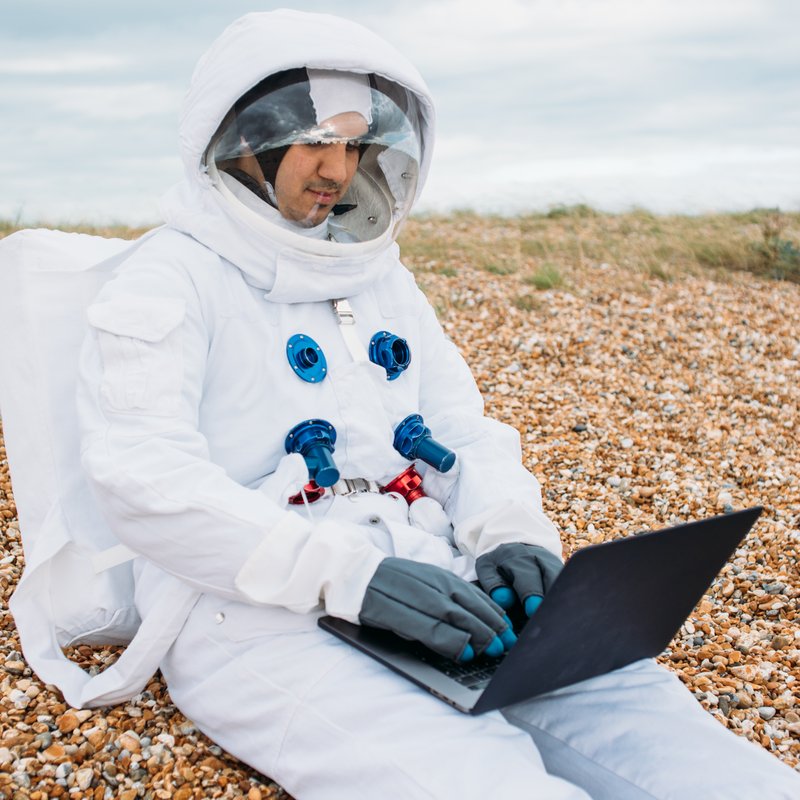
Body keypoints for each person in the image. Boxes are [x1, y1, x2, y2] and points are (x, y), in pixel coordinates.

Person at [73, 10, 800, 800]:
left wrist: (509, 533)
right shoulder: (168, 280)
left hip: (432, 576)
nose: (339, 170)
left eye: (354, 144)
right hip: (249, 612)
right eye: (317, 141)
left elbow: (462, 430)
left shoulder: (376, 274)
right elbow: (142, 480)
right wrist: (348, 577)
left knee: (687, 751)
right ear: (244, 141)